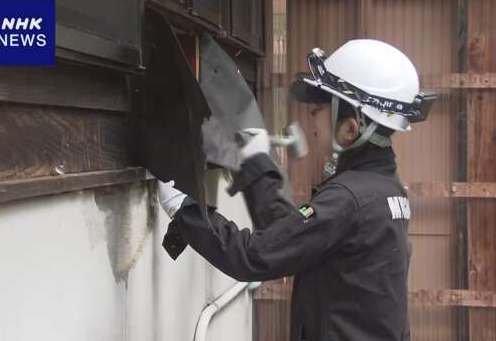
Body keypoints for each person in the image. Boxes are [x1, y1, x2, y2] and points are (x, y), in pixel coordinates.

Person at [158, 40, 434, 341]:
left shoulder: (350, 199)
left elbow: (255, 255)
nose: (311, 117)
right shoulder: (384, 189)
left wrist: (185, 211)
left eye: (319, 107)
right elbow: (296, 239)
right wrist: (258, 166)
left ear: (351, 128)